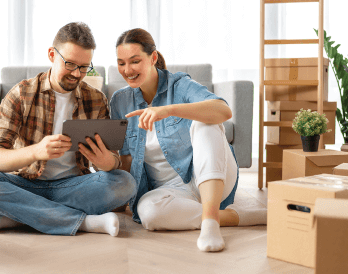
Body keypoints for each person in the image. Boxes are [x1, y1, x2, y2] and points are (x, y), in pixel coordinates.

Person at [0, 22, 137, 237]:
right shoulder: (21, 94)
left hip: (74, 185)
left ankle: (19, 215)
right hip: (25, 184)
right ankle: (84, 223)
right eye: (70, 64)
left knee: (125, 182)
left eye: (84, 67)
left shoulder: (96, 99)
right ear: (52, 55)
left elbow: (112, 161)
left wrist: (106, 163)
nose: (76, 73)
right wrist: (36, 151)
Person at [109, 28, 266, 252]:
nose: (127, 70)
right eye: (121, 63)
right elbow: (125, 158)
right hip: (169, 192)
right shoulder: (120, 101)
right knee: (149, 214)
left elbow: (223, 110)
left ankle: (211, 222)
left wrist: (168, 110)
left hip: (209, 174)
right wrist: (117, 197)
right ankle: (234, 217)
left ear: (153, 58)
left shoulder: (179, 85)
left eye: (135, 61)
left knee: (206, 122)